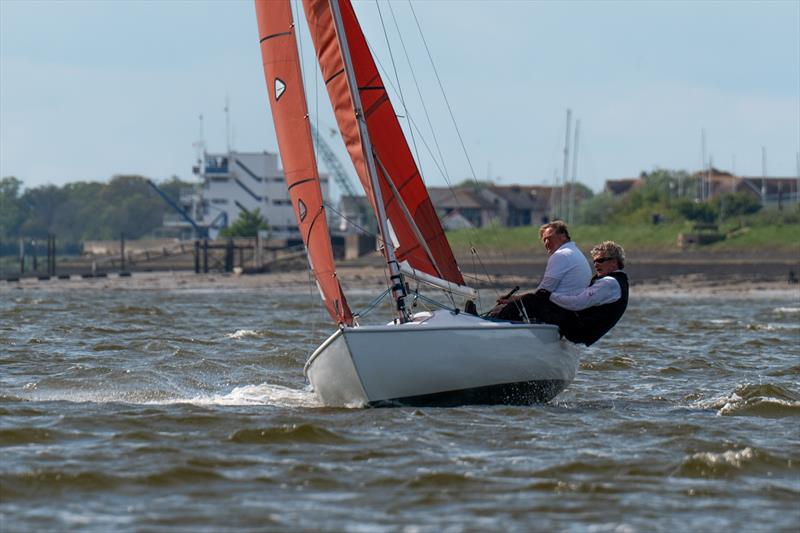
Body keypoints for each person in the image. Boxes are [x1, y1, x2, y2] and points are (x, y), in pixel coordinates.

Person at [490, 220, 591, 321]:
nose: (546, 243)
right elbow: (543, 292)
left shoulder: (560, 255)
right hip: (570, 310)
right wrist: (514, 299)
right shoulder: (575, 252)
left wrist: (511, 304)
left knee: (499, 311)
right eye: (544, 240)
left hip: (561, 312)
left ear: (563, 236)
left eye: (549, 238)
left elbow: (542, 293)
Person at [553, 241, 629, 346]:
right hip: (576, 333)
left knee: (530, 299)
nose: (596, 264)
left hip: (576, 332)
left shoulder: (609, 283)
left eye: (601, 260)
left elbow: (576, 303)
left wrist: (548, 295)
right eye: (594, 261)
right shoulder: (613, 281)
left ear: (614, 262)